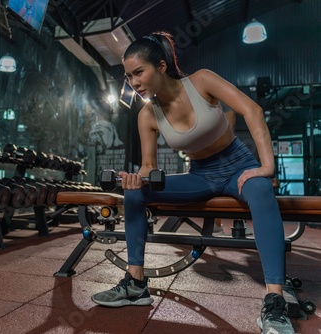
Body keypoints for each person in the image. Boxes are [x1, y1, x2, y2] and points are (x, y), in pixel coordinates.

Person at [91, 31, 294, 334]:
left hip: (239, 167)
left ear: (161, 67)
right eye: (128, 76)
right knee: (135, 193)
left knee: (262, 189)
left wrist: (266, 166)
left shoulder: (201, 81)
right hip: (200, 174)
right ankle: (135, 283)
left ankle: (274, 301)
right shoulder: (147, 114)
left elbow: (252, 110)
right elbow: (149, 168)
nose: (133, 83)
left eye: (138, 73)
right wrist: (136, 178)